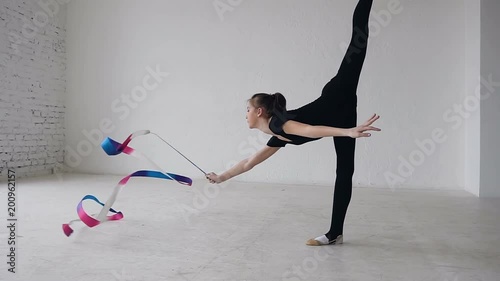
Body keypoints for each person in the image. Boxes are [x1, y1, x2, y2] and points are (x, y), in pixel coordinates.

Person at [206, 0, 377, 246]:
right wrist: (221, 177)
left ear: (260, 111)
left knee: (358, 39)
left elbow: (308, 130)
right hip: (342, 116)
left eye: (248, 110)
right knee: (345, 172)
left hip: (340, 93)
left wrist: (348, 132)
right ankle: (335, 233)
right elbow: (249, 162)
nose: (245, 114)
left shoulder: (280, 125)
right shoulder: (276, 135)